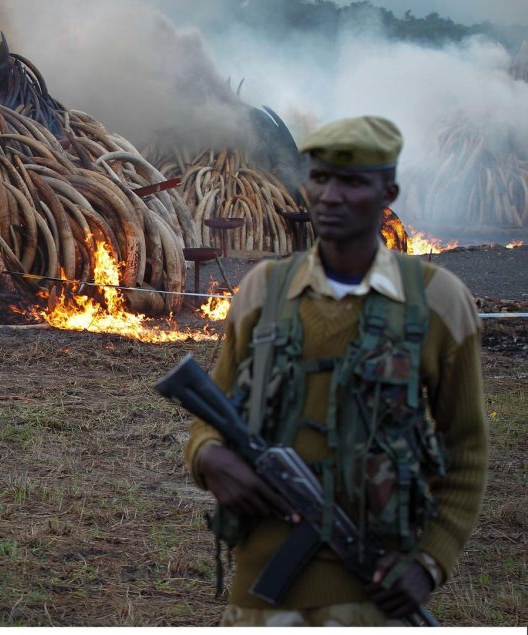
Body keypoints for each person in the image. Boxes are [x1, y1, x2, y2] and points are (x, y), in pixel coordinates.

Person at [184, 116, 488, 626]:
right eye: (320, 178)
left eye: (352, 181)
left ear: (388, 190)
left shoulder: (437, 302)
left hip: (374, 596)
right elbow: (211, 411)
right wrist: (208, 456)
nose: (330, 195)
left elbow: (468, 449)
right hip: (261, 599)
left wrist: (430, 562)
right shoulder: (264, 291)